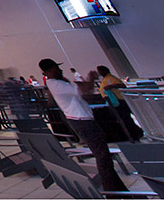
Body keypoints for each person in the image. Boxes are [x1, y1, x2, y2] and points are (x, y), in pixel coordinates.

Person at [39, 58, 127, 192]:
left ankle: (119, 189)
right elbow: (85, 89)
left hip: (83, 121)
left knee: (104, 157)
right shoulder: (57, 84)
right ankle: (112, 192)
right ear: (49, 70)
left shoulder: (57, 83)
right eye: (57, 67)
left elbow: (81, 90)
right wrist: (91, 78)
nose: (60, 69)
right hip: (83, 122)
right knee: (103, 158)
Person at [97, 65, 144, 141]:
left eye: (100, 71)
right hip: (114, 102)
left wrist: (110, 86)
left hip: (120, 101)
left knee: (126, 118)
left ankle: (136, 133)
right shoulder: (105, 79)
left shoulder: (111, 78)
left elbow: (122, 85)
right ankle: (134, 133)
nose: (99, 73)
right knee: (124, 119)